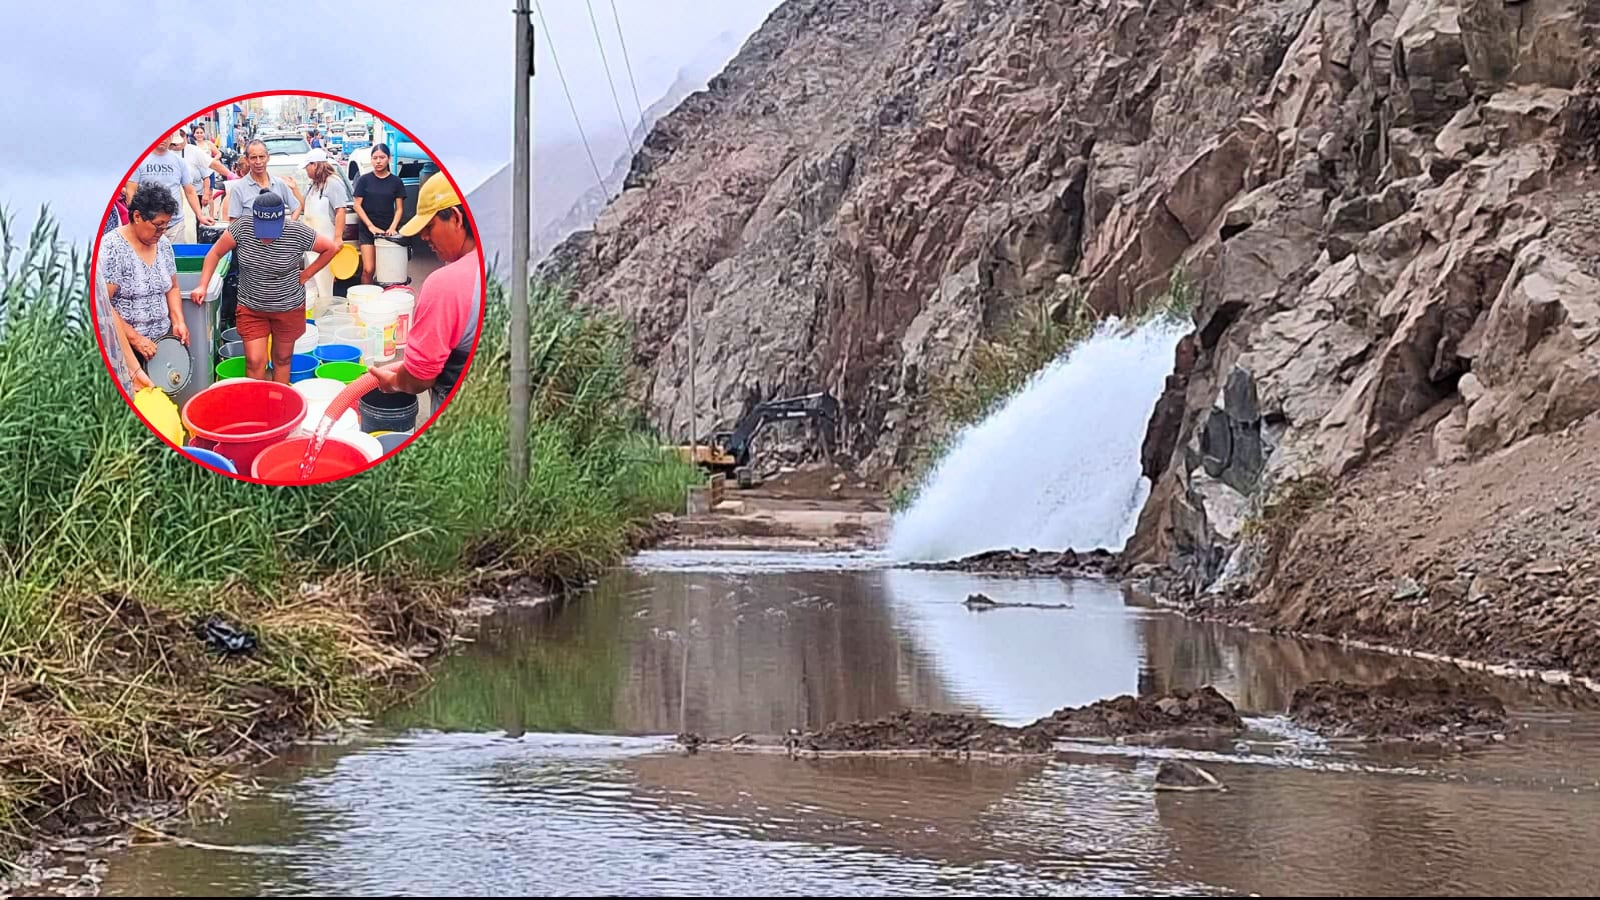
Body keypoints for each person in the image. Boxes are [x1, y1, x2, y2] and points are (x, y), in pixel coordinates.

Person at [192, 191, 337, 384]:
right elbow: (214, 254)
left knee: (282, 359)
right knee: (254, 361)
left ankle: (279, 402)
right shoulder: (241, 228)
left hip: (288, 307)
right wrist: (202, 286)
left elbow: (331, 248)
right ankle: (255, 406)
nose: (267, 237)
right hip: (251, 307)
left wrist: (306, 274)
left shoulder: (296, 231)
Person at [368, 173, 481, 413]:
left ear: (456, 218)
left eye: (429, 226)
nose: (424, 237)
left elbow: (420, 375)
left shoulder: (447, 284)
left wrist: (396, 382)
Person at [102, 184, 187, 363]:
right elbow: (102, 304)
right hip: (127, 349)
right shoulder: (113, 248)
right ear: (137, 216)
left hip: (162, 342)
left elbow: (172, 287)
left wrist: (178, 320)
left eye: (166, 226)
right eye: (158, 226)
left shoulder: (163, 244)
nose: (162, 232)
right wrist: (135, 338)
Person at [125, 135, 213, 246]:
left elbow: (190, 191)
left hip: (175, 224)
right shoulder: (139, 160)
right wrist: (136, 219)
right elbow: (131, 191)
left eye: (167, 136)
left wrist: (200, 215)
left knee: (174, 258)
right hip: (148, 222)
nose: (163, 139)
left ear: (172, 138)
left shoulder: (179, 162)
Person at [352, 144, 406, 283]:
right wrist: (370, 226)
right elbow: (357, 205)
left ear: (388, 159)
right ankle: (365, 298)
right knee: (368, 269)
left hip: (387, 230)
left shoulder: (396, 182)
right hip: (367, 229)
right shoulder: (364, 180)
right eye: (374, 158)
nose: (378, 161)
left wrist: (393, 227)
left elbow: (399, 208)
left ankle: (383, 298)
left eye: (382, 157)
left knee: (387, 269)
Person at [169, 130, 229, 242]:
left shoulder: (193, 151)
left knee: (189, 230)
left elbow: (211, 166)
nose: (176, 145)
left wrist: (231, 175)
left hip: (192, 197)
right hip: (164, 206)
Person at [223, 139, 302, 223]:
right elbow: (233, 222)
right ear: (247, 160)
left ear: (268, 157)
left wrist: (286, 228)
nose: (258, 162)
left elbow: (297, 207)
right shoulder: (238, 189)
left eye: (261, 157)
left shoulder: (279, 184)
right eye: (253, 158)